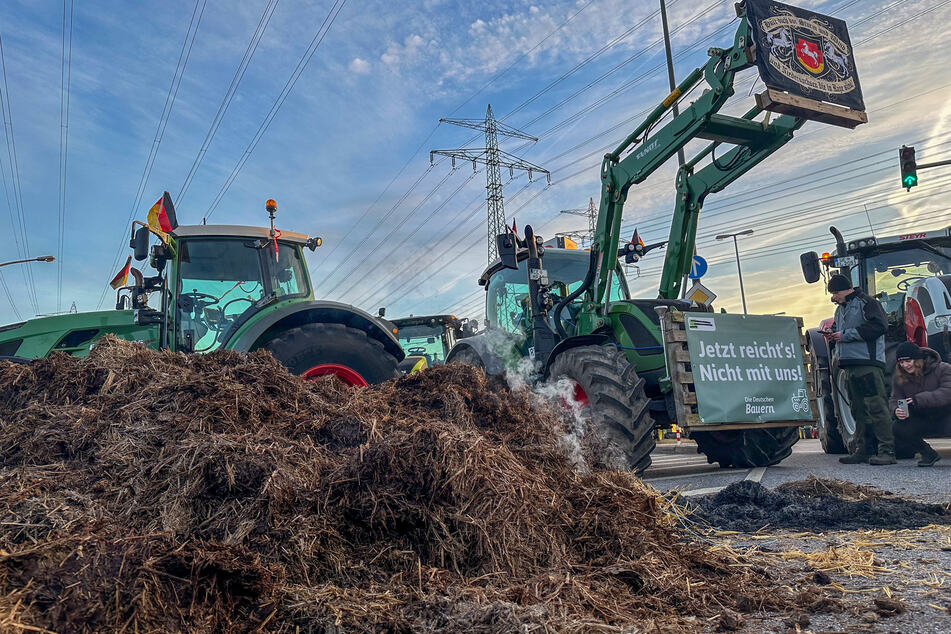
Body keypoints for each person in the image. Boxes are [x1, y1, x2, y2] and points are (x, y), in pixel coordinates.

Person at [825, 273, 895, 465]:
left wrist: (845, 335)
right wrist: (833, 334)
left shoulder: (868, 303)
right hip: (849, 365)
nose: (834, 297)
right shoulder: (840, 310)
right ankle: (863, 449)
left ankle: (887, 451)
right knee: (857, 410)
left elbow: (879, 326)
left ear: (846, 289)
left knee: (877, 407)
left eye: (835, 292)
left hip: (868, 364)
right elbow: (844, 330)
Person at [890, 341, 951, 466]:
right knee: (897, 427)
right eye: (901, 362)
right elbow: (894, 399)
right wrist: (896, 410)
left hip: (946, 415)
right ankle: (928, 454)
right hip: (922, 419)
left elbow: (947, 392)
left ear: (918, 359)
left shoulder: (943, 368)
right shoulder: (899, 377)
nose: (905, 365)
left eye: (908, 361)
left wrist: (919, 400)